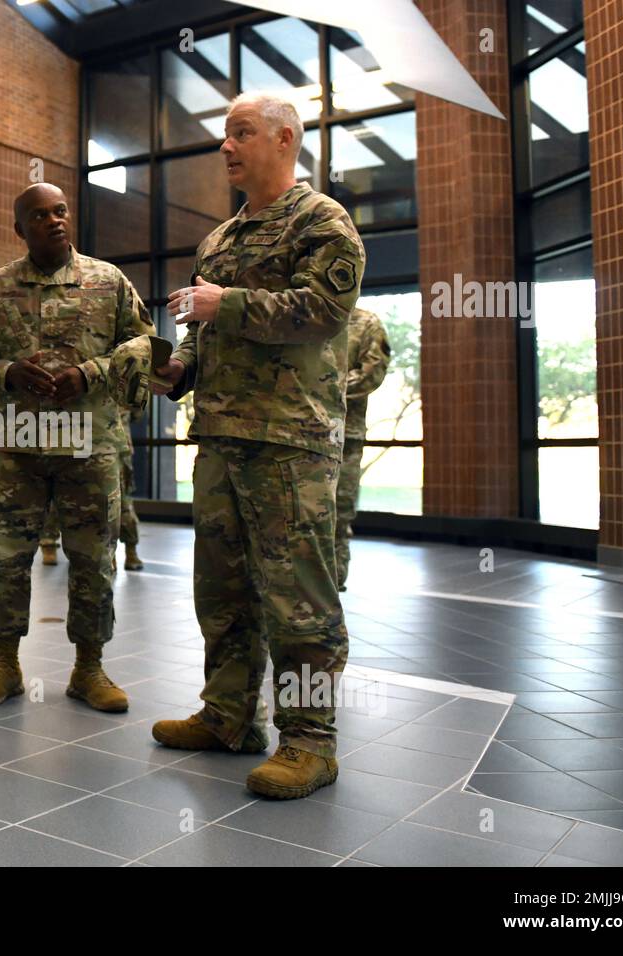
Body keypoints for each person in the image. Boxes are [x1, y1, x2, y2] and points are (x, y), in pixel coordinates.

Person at [149, 92, 365, 799]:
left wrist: (225, 305)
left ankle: (310, 741)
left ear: (284, 138)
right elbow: (200, 332)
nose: (226, 147)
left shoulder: (323, 223)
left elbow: (322, 314)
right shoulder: (220, 238)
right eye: (224, 135)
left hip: (290, 445)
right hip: (219, 438)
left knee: (299, 598)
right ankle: (229, 716)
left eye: (241, 133)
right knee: (223, 590)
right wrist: (177, 368)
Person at [0, 183, 153, 713]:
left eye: (60, 210)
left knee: (92, 559)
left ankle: (90, 668)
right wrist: (6, 371)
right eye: (39, 215)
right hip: (18, 448)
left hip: (90, 447)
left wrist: (90, 374)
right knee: (8, 559)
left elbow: (143, 348)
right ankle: (4, 663)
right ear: (20, 229)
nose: (54, 220)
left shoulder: (108, 282)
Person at [39, 406, 144, 571]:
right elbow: (137, 411)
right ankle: (124, 553)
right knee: (119, 502)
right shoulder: (119, 385)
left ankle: (49, 545)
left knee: (62, 496)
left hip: (82, 442)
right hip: (111, 445)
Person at [336, 307, 391, 591]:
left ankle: (331, 593)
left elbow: (372, 372)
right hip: (289, 433)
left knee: (337, 513)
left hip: (343, 436)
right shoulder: (295, 314)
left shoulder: (365, 322)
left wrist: (318, 391)